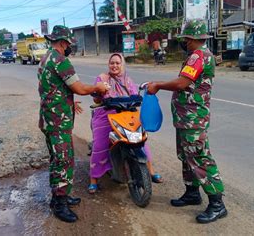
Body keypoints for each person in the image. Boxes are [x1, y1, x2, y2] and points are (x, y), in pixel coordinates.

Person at [146, 20, 227, 224]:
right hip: (185, 118)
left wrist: (157, 85)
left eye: (185, 40)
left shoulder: (199, 56)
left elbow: (182, 83)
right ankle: (192, 193)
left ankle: (217, 204)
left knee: (199, 157)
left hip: (193, 119)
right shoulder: (196, 55)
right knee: (186, 156)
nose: (184, 43)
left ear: (192, 39)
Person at [37, 25, 108, 223]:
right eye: (69, 44)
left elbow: (51, 88)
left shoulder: (45, 58)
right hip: (58, 122)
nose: (70, 47)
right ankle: (60, 204)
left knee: (56, 159)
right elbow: (79, 87)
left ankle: (59, 196)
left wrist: (68, 100)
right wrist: (97, 87)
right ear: (63, 43)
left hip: (49, 118)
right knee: (64, 160)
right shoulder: (60, 60)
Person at [88, 53, 162, 194]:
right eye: (112, 63)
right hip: (105, 114)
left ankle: (150, 171)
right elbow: (96, 101)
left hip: (126, 114)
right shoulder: (102, 79)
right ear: (108, 65)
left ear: (122, 65)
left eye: (117, 63)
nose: (114, 65)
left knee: (141, 139)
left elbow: (134, 96)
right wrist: (99, 91)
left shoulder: (128, 80)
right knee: (100, 144)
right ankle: (94, 179)